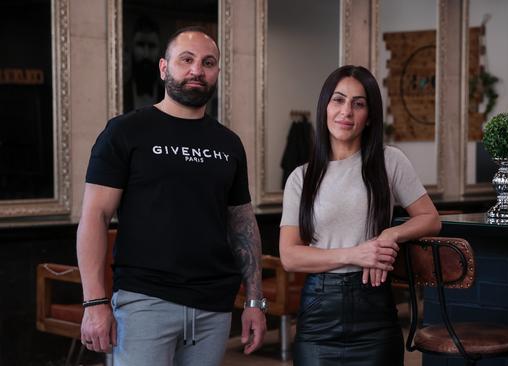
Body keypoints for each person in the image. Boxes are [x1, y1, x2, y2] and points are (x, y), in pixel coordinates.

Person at [76, 26, 266, 366]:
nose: (197, 70)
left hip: (213, 307)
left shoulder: (228, 143)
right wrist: (94, 303)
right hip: (144, 302)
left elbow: (242, 222)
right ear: (164, 68)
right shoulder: (125, 131)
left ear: (217, 72)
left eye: (208, 62)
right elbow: (95, 217)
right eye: (187, 60)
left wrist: (254, 301)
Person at [279, 65, 441, 366]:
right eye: (338, 100)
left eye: (359, 103)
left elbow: (430, 218)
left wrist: (390, 233)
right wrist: (358, 253)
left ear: (369, 117)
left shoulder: (389, 161)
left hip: (374, 309)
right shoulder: (301, 178)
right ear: (325, 107)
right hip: (319, 312)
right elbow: (290, 256)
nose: (346, 112)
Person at [123, 16, 165, 112]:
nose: (146, 54)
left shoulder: (169, 97)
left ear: (159, 50)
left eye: (152, 46)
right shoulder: (121, 94)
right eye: (140, 45)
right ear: (132, 48)